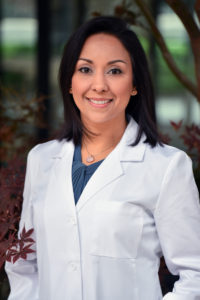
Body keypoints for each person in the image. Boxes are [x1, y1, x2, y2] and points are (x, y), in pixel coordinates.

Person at [5, 16, 200, 300]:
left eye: (115, 71)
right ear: (70, 82)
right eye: (85, 69)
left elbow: (195, 275)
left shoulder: (167, 167)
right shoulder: (41, 160)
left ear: (135, 84)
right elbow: (24, 266)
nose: (99, 85)